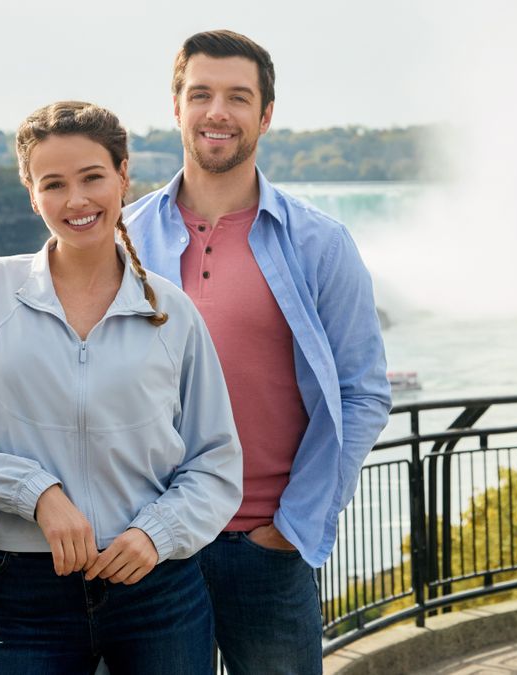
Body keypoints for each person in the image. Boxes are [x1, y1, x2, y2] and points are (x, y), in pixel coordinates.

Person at [0, 101, 242, 674]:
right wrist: (36, 492)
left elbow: (215, 461)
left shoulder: (172, 312)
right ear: (32, 194)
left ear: (122, 176)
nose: (77, 200)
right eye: (53, 184)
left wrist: (157, 534)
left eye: (92, 177)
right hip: (26, 594)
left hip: (157, 588)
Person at [124, 30, 391, 673]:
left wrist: (293, 526)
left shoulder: (320, 243)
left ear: (265, 115)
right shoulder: (122, 238)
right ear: (177, 106)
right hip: (148, 546)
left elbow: (363, 391)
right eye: (202, 94)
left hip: (265, 549)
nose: (218, 111)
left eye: (238, 97)